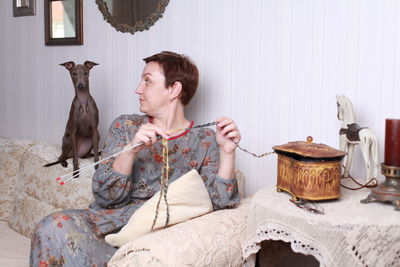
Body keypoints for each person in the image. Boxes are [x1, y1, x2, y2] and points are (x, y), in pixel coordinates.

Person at [30, 51, 241, 266]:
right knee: (52, 226)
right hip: (109, 225)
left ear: (174, 89)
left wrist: (227, 152)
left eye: (147, 81)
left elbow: (221, 206)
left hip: (155, 238)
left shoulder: (204, 140)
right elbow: (105, 197)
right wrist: (130, 151)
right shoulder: (125, 126)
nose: (138, 89)